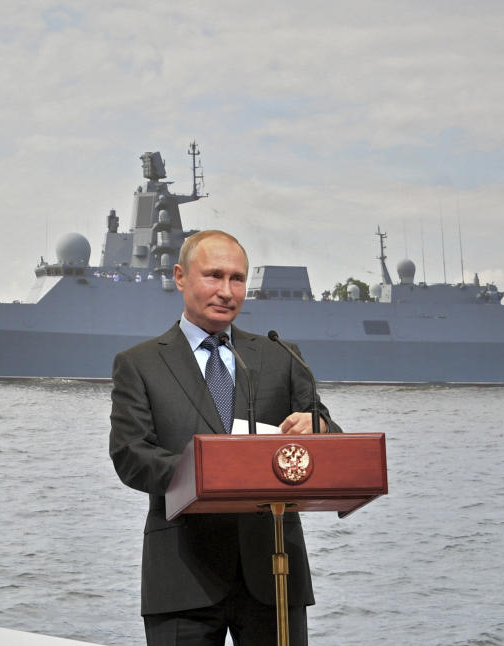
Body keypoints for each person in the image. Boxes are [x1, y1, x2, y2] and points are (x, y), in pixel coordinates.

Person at [109, 230, 341, 646]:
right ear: (180, 277)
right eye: (213, 276)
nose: (227, 291)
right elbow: (130, 454)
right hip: (182, 575)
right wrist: (207, 470)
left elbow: (328, 432)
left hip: (274, 573)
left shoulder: (280, 356)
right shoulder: (139, 364)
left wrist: (318, 428)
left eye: (237, 279)